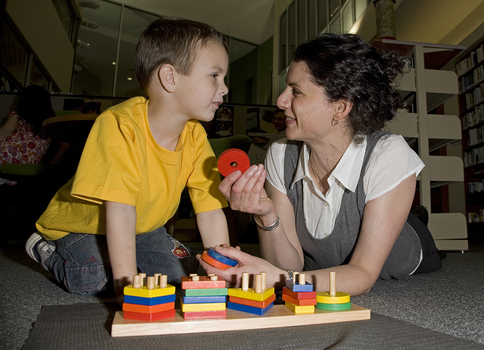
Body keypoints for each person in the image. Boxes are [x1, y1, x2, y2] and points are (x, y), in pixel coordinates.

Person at [199, 33, 442, 296]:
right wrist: (265, 214)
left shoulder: (388, 153)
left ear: (340, 107)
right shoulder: (280, 155)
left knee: (412, 231)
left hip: (409, 253)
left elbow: (361, 275)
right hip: (330, 261)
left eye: (296, 91)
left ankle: (413, 217)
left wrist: (279, 280)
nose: (280, 101)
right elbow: (290, 267)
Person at [25, 17, 231, 301]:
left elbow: (209, 210)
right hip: (80, 226)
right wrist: (126, 291)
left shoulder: (196, 137)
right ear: (170, 77)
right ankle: (43, 247)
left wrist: (222, 272)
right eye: (215, 76)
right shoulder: (119, 125)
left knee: (178, 281)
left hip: (143, 227)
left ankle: (122, 259)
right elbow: (120, 210)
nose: (225, 88)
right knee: (91, 278)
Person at [0, 85, 55, 165]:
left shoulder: (19, 115)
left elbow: (5, 131)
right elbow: (64, 145)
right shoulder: (50, 120)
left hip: (8, 154)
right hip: (30, 160)